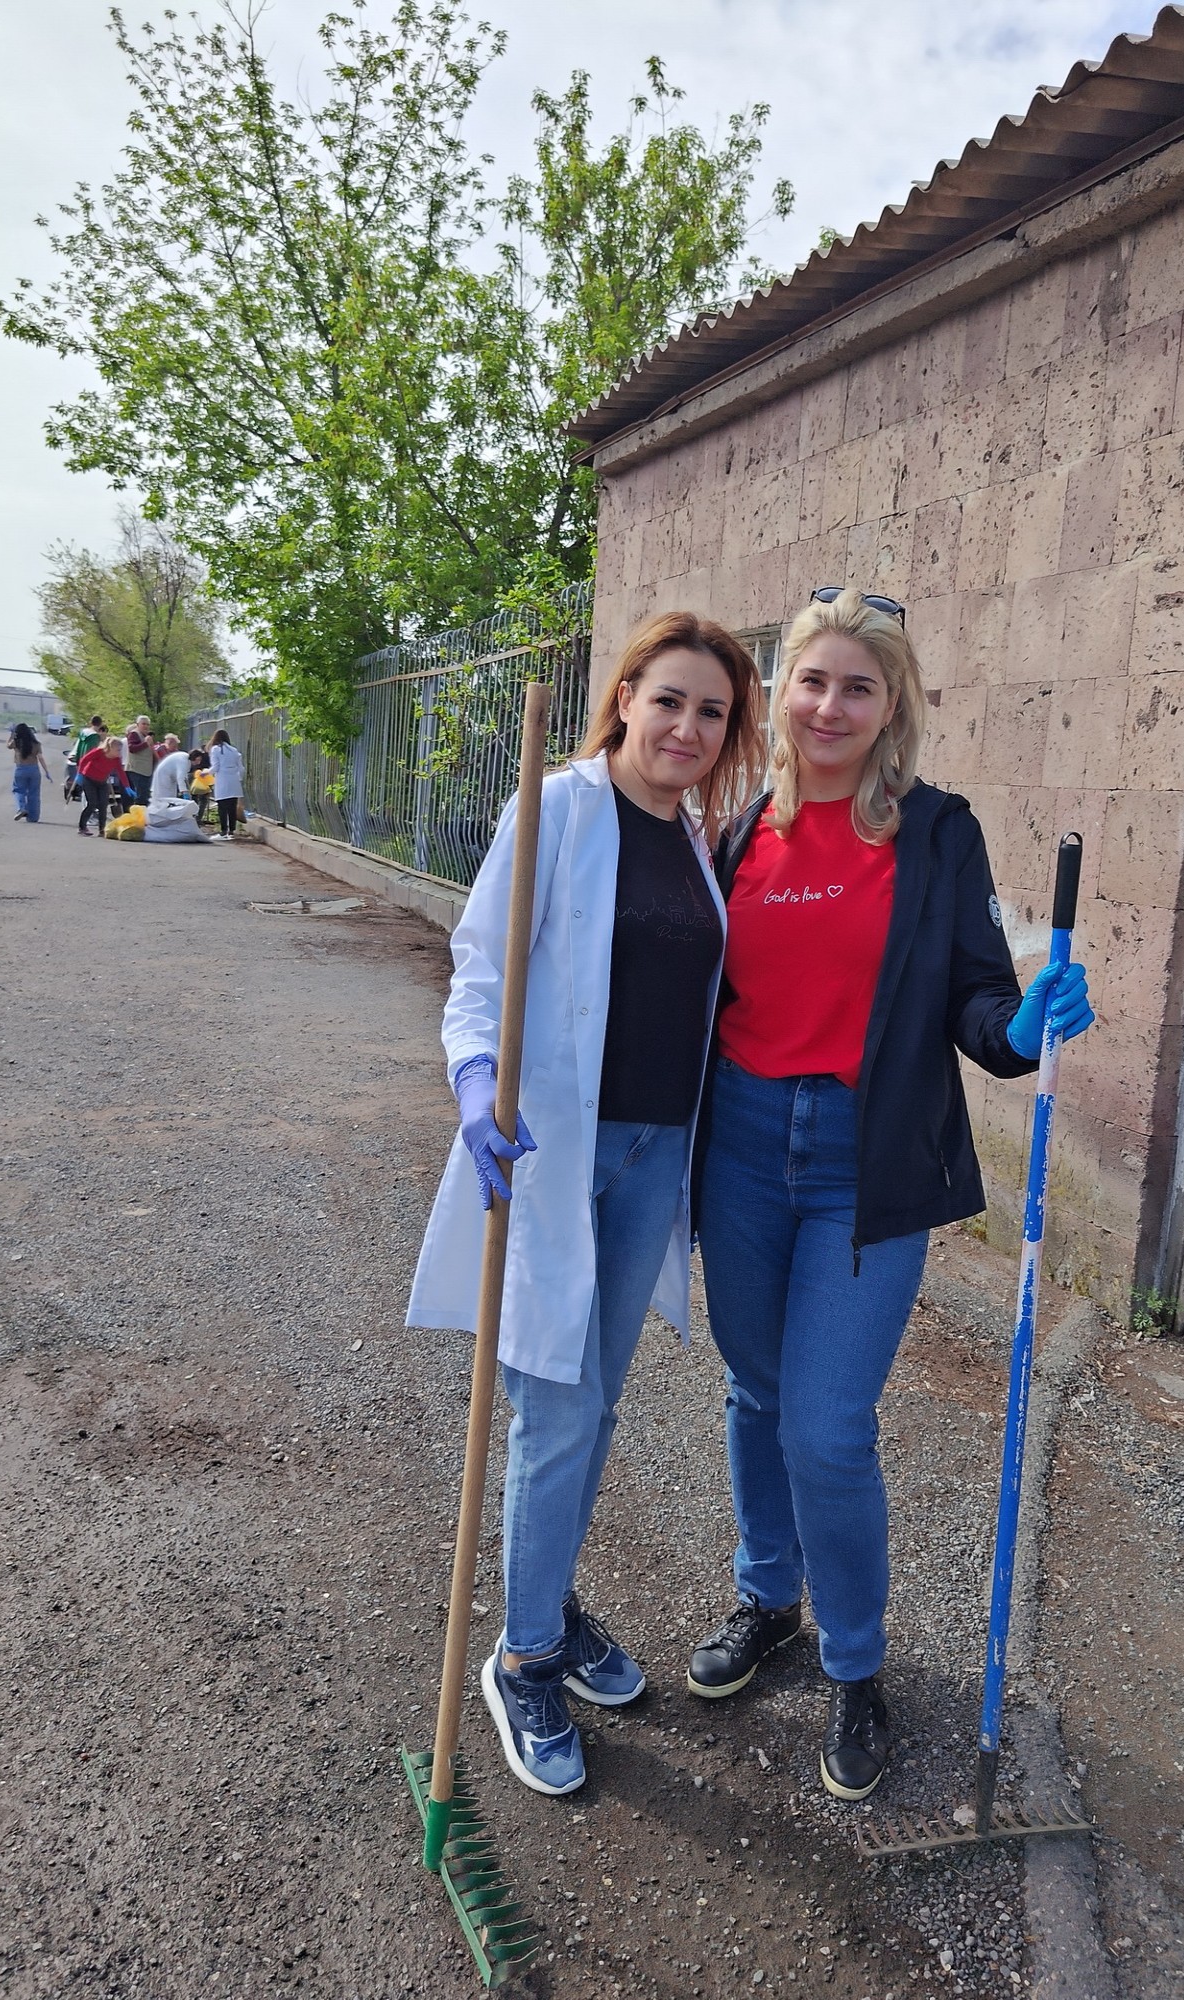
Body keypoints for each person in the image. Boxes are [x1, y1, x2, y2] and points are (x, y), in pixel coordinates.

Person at [687, 588, 1094, 1802]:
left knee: (825, 1422)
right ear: (782, 693)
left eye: (857, 686)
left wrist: (1020, 1024)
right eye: (812, 680)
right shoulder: (736, 828)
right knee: (756, 1390)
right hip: (741, 1144)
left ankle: (855, 1662)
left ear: (891, 704)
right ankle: (770, 1595)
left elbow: (977, 999)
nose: (829, 705)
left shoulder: (936, 831)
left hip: (866, 1159)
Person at [407, 613, 765, 1798]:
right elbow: (480, 968)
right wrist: (475, 1083)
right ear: (624, 698)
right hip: (556, 1151)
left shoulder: (698, 836)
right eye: (670, 699)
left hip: (655, 1158)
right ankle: (524, 1657)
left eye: (712, 711)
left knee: (594, 1404)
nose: (688, 727)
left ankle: (547, 1597)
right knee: (555, 1411)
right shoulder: (556, 807)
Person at [77, 735, 126, 836]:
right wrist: (80, 774)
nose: (119, 752)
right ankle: (82, 827)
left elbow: (121, 772)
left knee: (103, 805)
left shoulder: (116, 759)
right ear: (111, 748)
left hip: (102, 781)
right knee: (92, 803)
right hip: (89, 779)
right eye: (118, 750)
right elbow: (84, 760)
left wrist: (127, 786)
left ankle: (102, 830)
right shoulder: (99, 752)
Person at [9, 723, 52, 823]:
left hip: (20, 769)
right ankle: (33, 817)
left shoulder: (16, 743)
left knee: (19, 790)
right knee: (34, 793)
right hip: (34, 770)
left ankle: (21, 808)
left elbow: (8, 745)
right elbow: (40, 758)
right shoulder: (36, 744)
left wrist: (12, 734)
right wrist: (46, 771)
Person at [208, 728, 246, 838]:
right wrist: (238, 779)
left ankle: (223, 831)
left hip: (222, 780)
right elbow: (241, 769)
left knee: (222, 806)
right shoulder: (234, 750)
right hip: (234, 781)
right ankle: (231, 831)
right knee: (232, 806)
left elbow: (215, 767)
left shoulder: (216, 749)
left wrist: (206, 773)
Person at [123, 716, 156, 804]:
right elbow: (132, 748)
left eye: (147, 724)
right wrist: (145, 743)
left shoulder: (146, 736)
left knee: (145, 795)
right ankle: (138, 812)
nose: (146, 726)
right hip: (136, 769)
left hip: (145, 770)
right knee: (141, 796)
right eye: (143, 724)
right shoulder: (134, 734)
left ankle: (143, 811)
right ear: (138, 725)